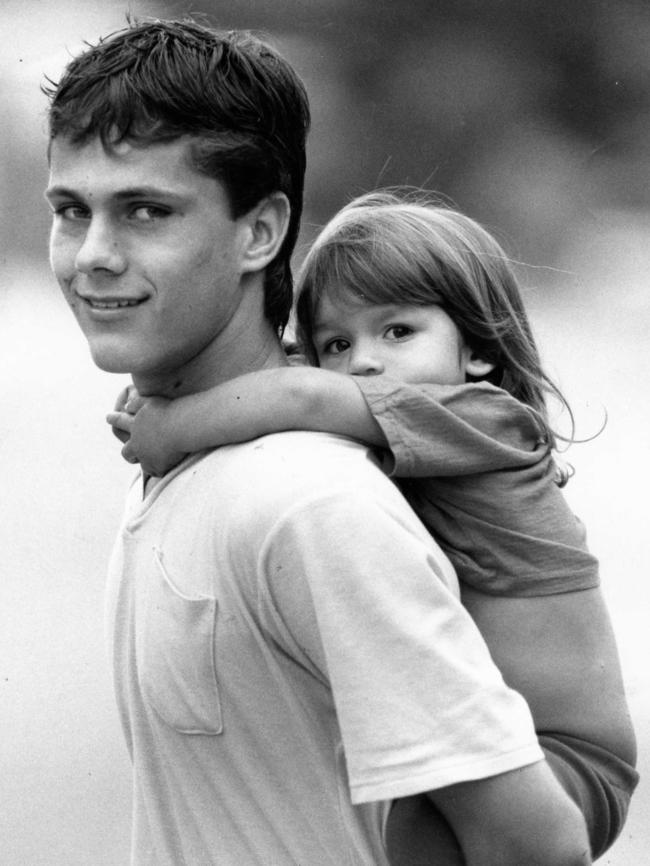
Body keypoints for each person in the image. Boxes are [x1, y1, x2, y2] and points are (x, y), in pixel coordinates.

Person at [45, 19, 593, 866]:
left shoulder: (310, 504)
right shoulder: (205, 467)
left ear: (260, 233)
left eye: (147, 211)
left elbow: (537, 848)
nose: (93, 256)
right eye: (70, 211)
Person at [109, 190, 639, 861]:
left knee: (412, 828)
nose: (363, 362)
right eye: (339, 342)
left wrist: (173, 428)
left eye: (397, 332)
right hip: (510, 732)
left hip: (570, 760)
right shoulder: (414, 413)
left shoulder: (483, 418)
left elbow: (300, 393)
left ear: (477, 347)